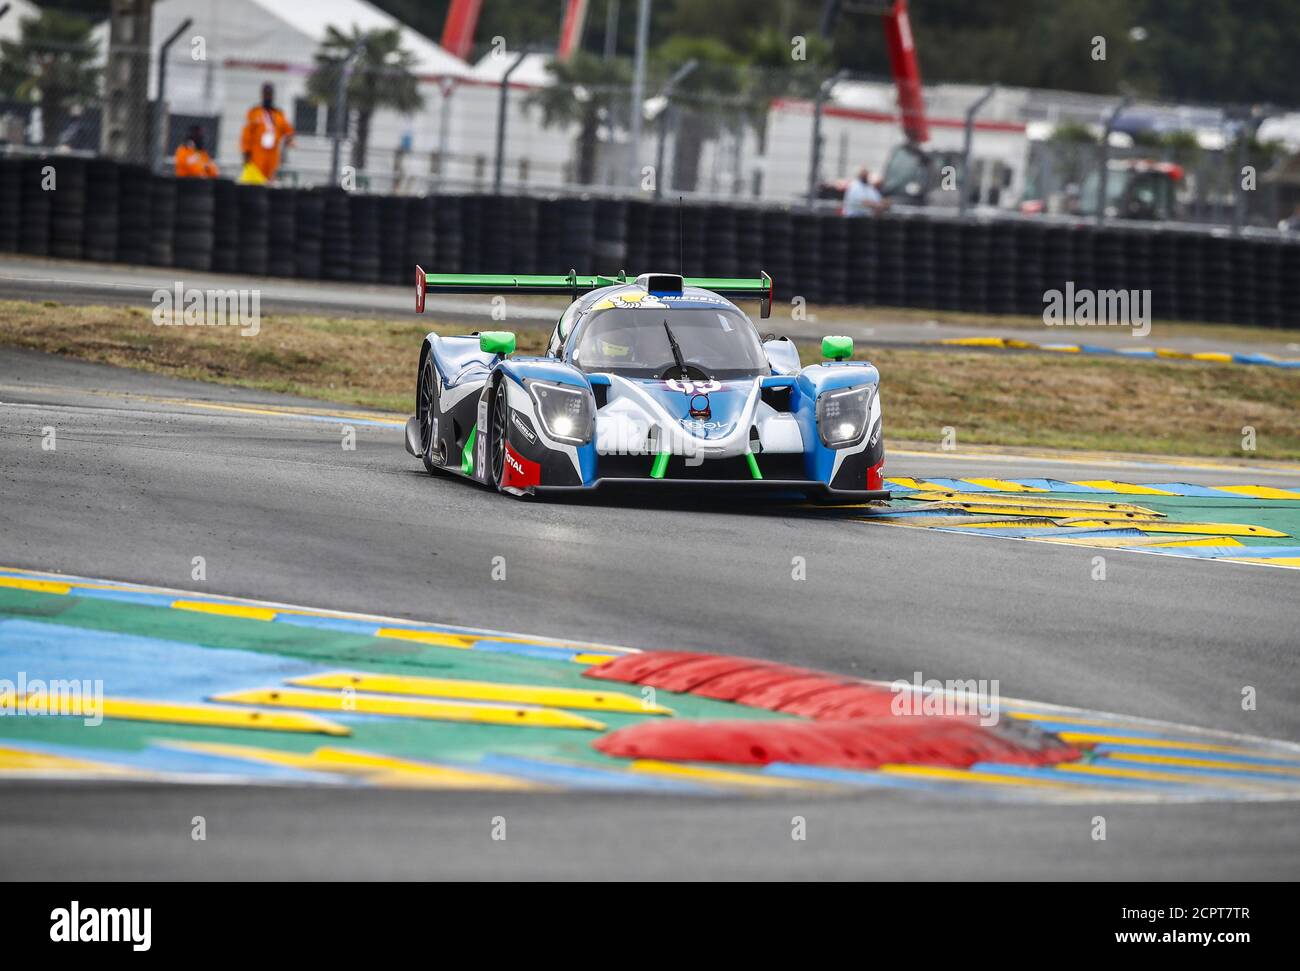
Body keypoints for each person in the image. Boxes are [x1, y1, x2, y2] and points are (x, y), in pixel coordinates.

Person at [239, 82, 295, 183]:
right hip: (257, 152)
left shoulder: (278, 114)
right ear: (262, 95)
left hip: (273, 153)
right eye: (266, 94)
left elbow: (288, 131)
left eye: (270, 94)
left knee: (270, 180)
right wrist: (245, 153)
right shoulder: (254, 112)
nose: (268, 96)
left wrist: (289, 141)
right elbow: (246, 134)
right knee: (255, 181)